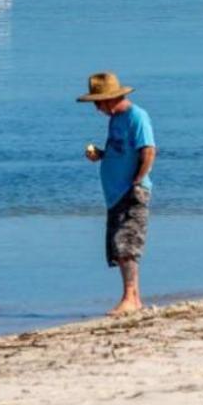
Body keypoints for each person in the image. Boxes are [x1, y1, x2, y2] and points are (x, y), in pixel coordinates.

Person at [78, 72, 156, 315]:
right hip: (115, 194)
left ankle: (129, 298)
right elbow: (120, 152)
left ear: (110, 98)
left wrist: (136, 180)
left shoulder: (137, 116)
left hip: (131, 191)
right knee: (117, 246)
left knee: (126, 245)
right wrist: (100, 155)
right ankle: (135, 298)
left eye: (97, 103)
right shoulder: (115, 120)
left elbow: (149, 151)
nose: (96, 108)